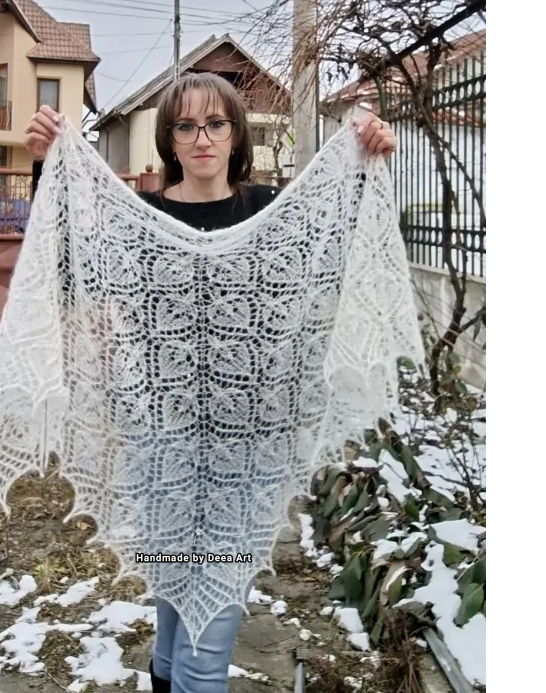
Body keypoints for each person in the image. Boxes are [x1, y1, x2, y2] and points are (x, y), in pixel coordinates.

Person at [22, 73, 397, 693]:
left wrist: (366, 165)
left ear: (236, 133)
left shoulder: (271, 211)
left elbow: (340, 251)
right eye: (186, 125)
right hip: (161, 447)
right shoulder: (143, 217)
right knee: (175, 598)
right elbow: (67, 266)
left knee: (206, 631)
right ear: (169, 138)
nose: (202, 138)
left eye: (216, 124)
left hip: (249, 455)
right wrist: (47, 167)